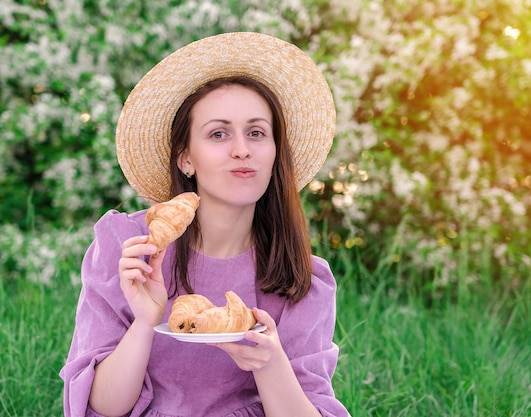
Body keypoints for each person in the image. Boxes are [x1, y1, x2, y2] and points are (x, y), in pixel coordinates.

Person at [60, 32, 350, 417]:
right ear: (186, 159)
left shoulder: (302, 278)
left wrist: (269, 363)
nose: (242, 148)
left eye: (257, 133)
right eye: (218, 133)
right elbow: (103, 407)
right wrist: (145, 322)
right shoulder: (131, 248)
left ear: (274, 153)